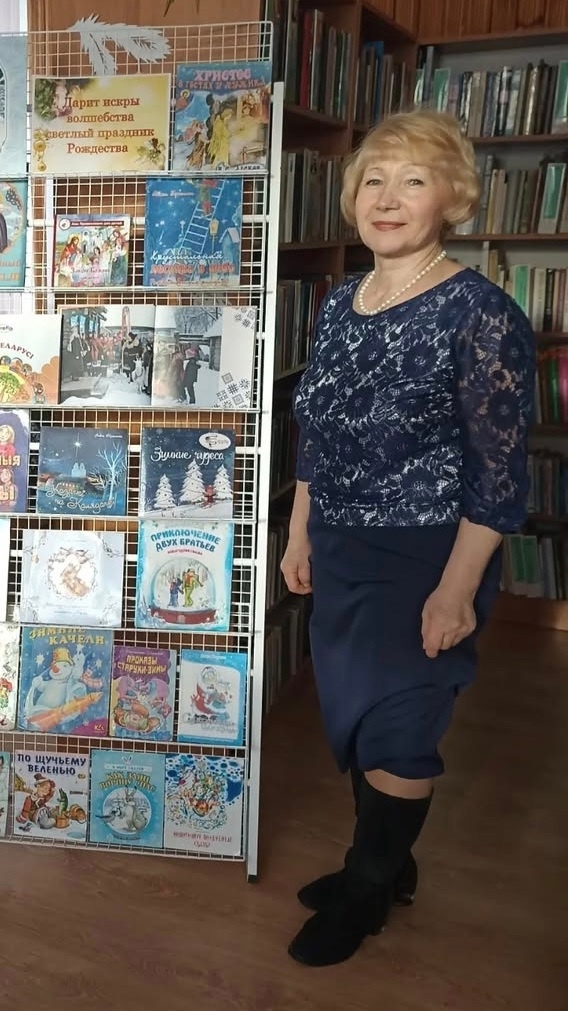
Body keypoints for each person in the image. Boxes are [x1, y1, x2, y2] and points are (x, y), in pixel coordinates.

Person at [281, 110, 535, 966]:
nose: (387, 199)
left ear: (451, 198)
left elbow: (499, 476)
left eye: (413, 181)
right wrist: (300, 532)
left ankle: (367, 889)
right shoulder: (339, 304)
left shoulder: (481, 314)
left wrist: (457, 590)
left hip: (427, 553)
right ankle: (385, 861)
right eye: (374, 181)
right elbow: (316, 432)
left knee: (399, 725)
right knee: (356, 717)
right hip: (342, 545)